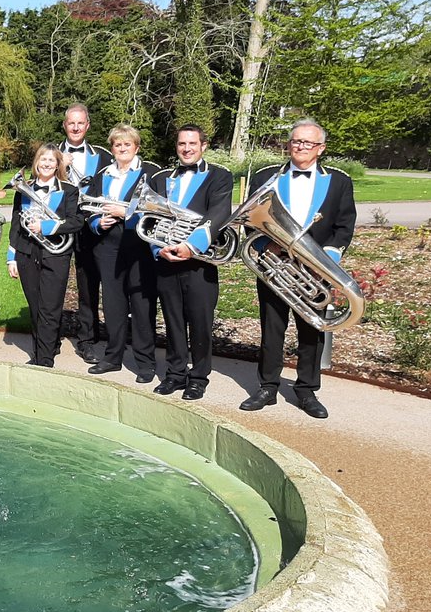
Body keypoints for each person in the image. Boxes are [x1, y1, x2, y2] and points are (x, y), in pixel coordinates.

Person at [240, 118, 356, 419]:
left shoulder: (339, 181)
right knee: (272, 327)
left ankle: (306, 389)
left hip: (316, 271)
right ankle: (267, 387)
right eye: (295, 141)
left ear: (321, 148)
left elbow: (344, 226)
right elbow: (249, 220)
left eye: (308, 143)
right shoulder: (268, 176)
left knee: (312, 331)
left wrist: (325, 259)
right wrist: (267, 246)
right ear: (288, 145)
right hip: (274, 265)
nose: (300, 147)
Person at [148, 124, 232, 401]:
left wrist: (190, 246)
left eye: (192, 144)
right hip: (165, 258)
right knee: (172, 320)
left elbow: (219, 213)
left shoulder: (219, 177)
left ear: (203, 145)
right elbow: (149, 217)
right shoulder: (161, 178)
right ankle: (174, 373)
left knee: (200, 322)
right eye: (182, 144)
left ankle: (198, 377)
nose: (186, 149)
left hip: (199, 262)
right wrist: (155, 248)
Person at [85, 124, 160, 382]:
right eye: (118, 145)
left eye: (127, 144)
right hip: (108, 245)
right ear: (112, 148)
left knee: (142, 304)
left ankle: (145, 362)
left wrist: (124, 213)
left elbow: (157, 209)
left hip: (139, 244)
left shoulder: (150, 173)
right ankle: (112, 357)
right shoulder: (103, 174)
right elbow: (88, 208)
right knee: (113, 304)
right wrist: (98, 223)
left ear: (136, 147)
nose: (122, 148)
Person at [7, 144, 82, 367]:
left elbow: (76, 221)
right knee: (35, 307)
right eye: (43, 159)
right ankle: (40, 352)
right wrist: (11, 257)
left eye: (52, 160)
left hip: (55, 255)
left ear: (58, 164)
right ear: (36, 163)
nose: (47, 164)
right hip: (26, 253)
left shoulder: (69, 190)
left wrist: (46, 226)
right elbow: (15, 225)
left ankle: (44, 359)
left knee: (50, 308)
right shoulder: (24, 188)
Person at [58, 103, 110, 365]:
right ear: (65, 125)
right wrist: (61, 167)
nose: (76, 127)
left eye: (80, 123)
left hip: (90, 226)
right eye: (71, 123)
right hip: (59, 224)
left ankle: (87, 340)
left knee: (88, 286)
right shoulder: (52, 154)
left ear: (87, 125)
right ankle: (50, 336)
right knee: (53, 283)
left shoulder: (102, 155)